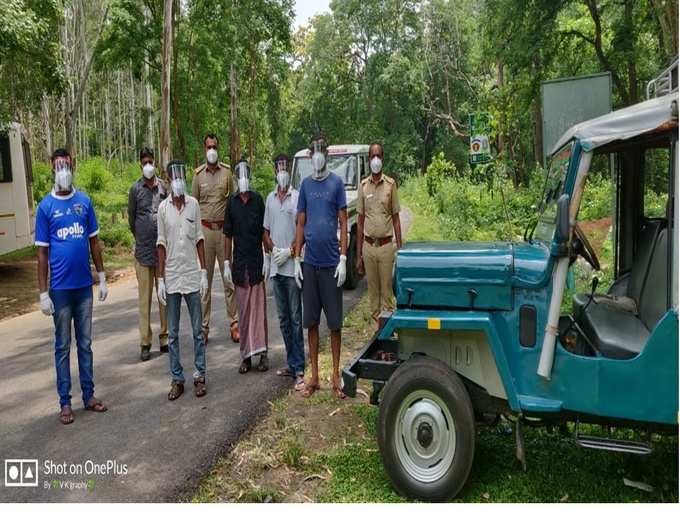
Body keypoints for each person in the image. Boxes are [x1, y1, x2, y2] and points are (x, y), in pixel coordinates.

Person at [35, 148, 109, 425]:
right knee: (63, 345)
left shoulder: (84, 202)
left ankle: (88, 395)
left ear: (72, 167)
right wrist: (43, 293)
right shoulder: (45, 208)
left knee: (86, 344)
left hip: (83, 289)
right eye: (58, 166)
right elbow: (41, 254)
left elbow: (94, 242)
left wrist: (101, 276)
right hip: (61, 290)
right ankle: (65, 402)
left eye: (66, 165)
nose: (63, 171)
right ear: (52, 170)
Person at [293, 133, 348, 399]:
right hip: (311, 262)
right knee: (311, 322)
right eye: (313, 150)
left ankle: (336, 375)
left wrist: (345, 258)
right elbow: (301, 223)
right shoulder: (304, 185)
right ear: (309, 155)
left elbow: (343, 222)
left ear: (327, 154)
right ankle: (314, 376)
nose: (317, 155)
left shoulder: (336, 184)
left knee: (335, 323)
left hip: (330, 262)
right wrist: (296, 258)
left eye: (321, 150)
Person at [157, 160, 209, 400]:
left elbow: (199, 239)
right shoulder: (162, 209)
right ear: (168, 180)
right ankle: (177, 378)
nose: (178, 180)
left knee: (198, 330)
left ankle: (199, 375)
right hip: (172, 275)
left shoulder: (194, 205)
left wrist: (204, 272)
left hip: (190, 275)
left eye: (181, 176)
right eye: (173, 176)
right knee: (174, 333)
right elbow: (161, 245)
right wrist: (160, 279)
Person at [192, 133, 239, 344]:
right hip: (205, 233)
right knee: (205, 281)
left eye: (214, 146)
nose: (212, 150)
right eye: (208, 146)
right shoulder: (198, 175)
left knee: (229, 278)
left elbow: (234, 201)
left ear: (218, 148)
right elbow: (192, 207)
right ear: (204, 149)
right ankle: (204, 327)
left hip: (224, 232)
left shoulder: (227, 173)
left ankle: (235, 323)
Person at [263, 154, 305, 390]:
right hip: (276, 269)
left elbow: (302, 229)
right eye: (279, 167)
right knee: (283, 320)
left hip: (291, 267)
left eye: (285, 167)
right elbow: (265, 230)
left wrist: (290, 252)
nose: (282, 171)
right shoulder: (270, 199)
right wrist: (272, 250)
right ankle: (291, 362)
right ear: (274, 171)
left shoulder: (297, 197)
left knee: (296, 318)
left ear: (290, 170)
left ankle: (300, 368)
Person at [223, 159, 269, 374]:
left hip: (256, 262)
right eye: (239, 174)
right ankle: (246, 357)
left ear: (249, 177)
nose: (242, 178)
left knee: (259, 311)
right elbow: (227, 236)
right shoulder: (231, 204)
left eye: (245, 174)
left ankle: (263, 354)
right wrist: (225, 262)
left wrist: (269, 255)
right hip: (240, 265)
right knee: (243, 312)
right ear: (235, 177)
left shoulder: (258, 200)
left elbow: (263, 231)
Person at [128, 147, 169, 361]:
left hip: (162, 252)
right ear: (140, 165)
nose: (148, 166)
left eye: (150, 161)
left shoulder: (163, 187)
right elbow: (131, 220)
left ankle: (165, 338)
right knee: (144, 300)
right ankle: (145, 342)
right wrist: (143, 234)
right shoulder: (135, 190)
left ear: (155, 162)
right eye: (144, 162)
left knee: (164, 297)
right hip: (143, 253)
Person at [356, 142, 402, 327]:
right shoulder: (363, 186)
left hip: (385, 247)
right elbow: (359, 222)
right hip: (368, 247)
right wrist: (359, 255)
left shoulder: (390, 185)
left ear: (382, 159)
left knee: (387, 295)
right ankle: (377, 336)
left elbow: (396, 218)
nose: (375, 159)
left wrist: (401, 249)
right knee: (373, 296)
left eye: (378, 156)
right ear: (368, 160)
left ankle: (388, 333)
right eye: (372, 156)